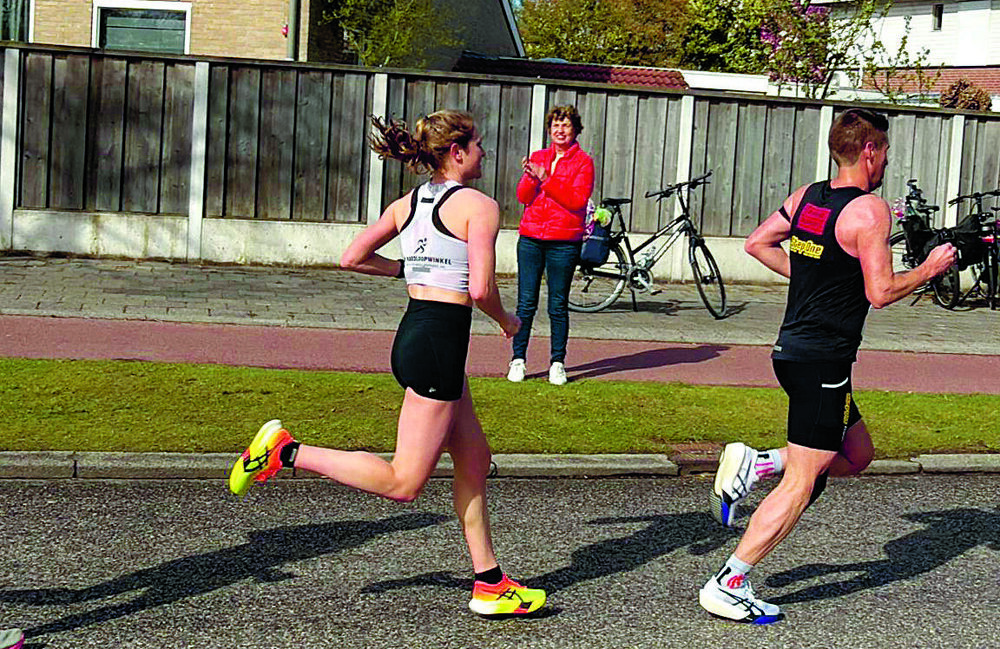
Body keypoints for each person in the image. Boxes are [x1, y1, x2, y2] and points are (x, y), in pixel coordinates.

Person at [227, 110, 546, 617]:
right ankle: (285, 451)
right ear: (458, 152)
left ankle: (490, 583)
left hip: (417, 334)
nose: (485, 152)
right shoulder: (479, 207)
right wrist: (509, 322)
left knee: (474, 459)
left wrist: (407, 268)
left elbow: (351, 256)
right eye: (479, 144)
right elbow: (481, 288)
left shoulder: (409, 202)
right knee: (404, 481)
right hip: (439, 344)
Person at [700, 107, 957, 624]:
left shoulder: (808, 197)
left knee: (857, 453)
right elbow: (881, 292)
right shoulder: (870, 211)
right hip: (823, 361)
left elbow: (757, 243)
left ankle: (760, 463)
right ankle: (730, 580)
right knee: (804, 480)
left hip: (794, 354)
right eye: (883, 150)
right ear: (869, 151)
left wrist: (815, 279)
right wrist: (929, 269)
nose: (885, 159)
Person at [507, 105, 595, 386]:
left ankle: (558, 363)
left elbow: (576, 201)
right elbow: (522, 196)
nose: (560, 130)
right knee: (526, 303)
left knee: (557, 305)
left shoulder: (583, 162)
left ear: (575, 129)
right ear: (549, 129)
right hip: (531, 238)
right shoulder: (539, 157)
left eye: (566, 125)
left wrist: (547, 178)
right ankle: (518, 359)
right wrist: (532, 178)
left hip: (563, 242)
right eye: (556, 125)